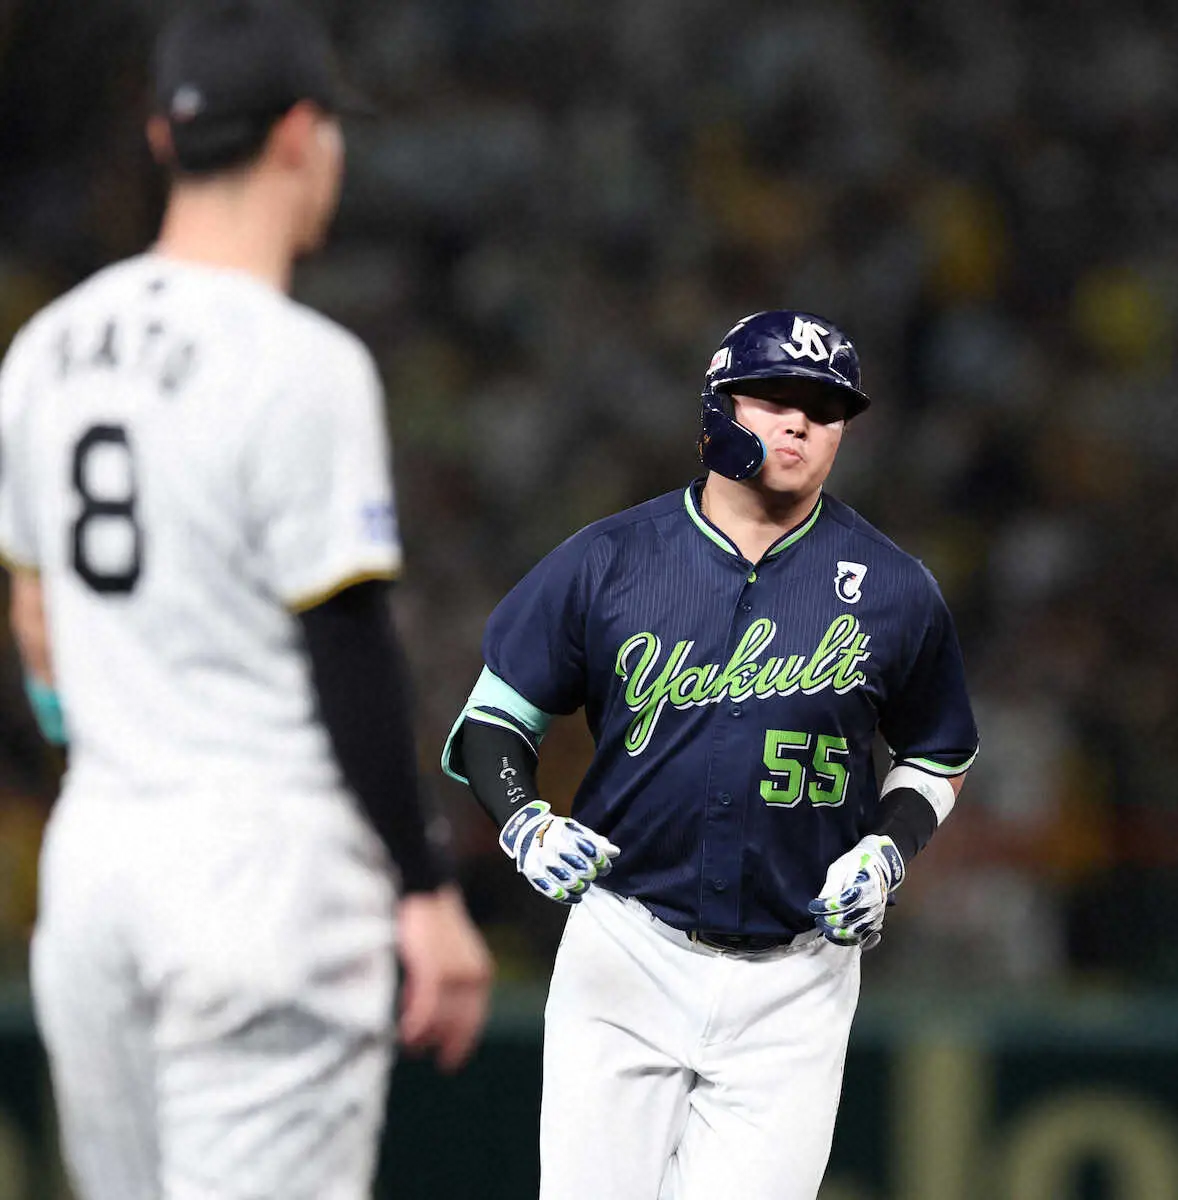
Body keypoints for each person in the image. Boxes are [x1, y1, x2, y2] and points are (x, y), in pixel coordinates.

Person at [0, 2, 493, 1197]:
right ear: (295, 135)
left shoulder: (45, 349)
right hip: (264, 885)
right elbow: (347, 647)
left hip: (100, 872)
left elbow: (35, 624)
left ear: (166, 144)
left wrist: (110, 742)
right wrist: (425, 888)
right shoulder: (301, 363)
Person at [442, 310, 978, 1200]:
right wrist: (524, 823)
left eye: (826, 407)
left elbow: (940, 753)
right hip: (627, 948)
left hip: (798, 976)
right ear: (720, 408)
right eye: (775, 398)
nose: (801, 422)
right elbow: (493, 718)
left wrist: (890, 851)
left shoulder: (893, 587)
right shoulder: (611, 558)